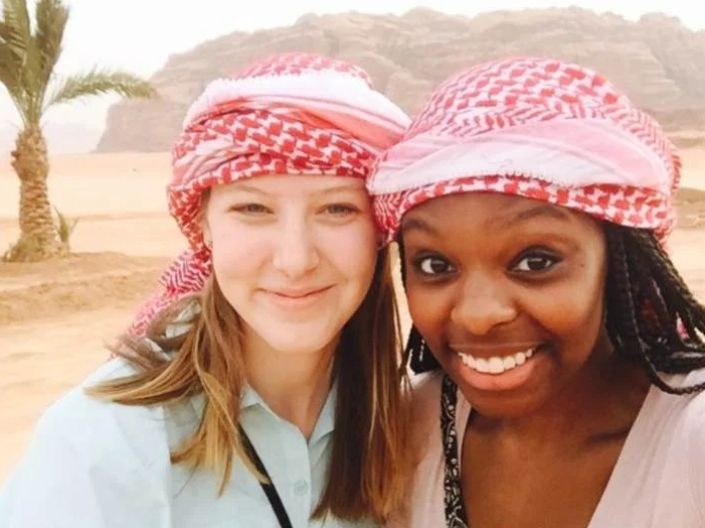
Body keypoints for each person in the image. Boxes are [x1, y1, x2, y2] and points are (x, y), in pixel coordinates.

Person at [0, 52, 412, 528]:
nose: (296, 260)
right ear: (204, 225)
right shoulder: (107, 441)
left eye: (337, 210)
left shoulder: (411, 425)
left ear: (380, 233)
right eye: (254, 209)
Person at [367, 56, 705, 527]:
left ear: (618, 261)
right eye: (436, 265)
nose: (479, 315)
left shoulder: (690, 443)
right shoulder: (408, 428)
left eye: (535, 262)